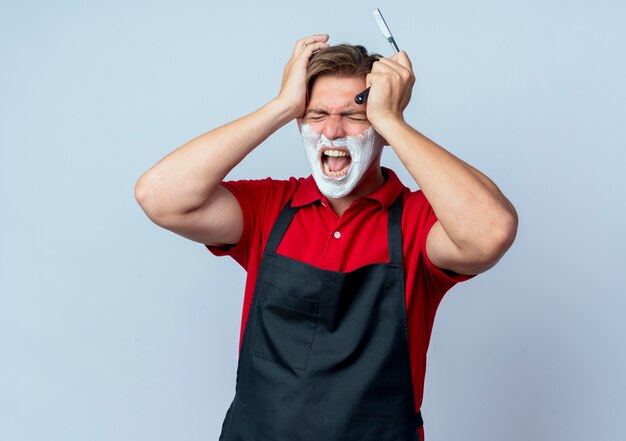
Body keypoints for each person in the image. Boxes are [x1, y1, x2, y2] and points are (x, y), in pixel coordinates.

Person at [135, 34, 518, 441]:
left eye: (355, 117)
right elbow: (158, 197)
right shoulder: (270, 208)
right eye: (316, 114)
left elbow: (491, 232)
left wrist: (392, 121)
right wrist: (280, 106)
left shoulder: (416, 223)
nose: (332, 132)